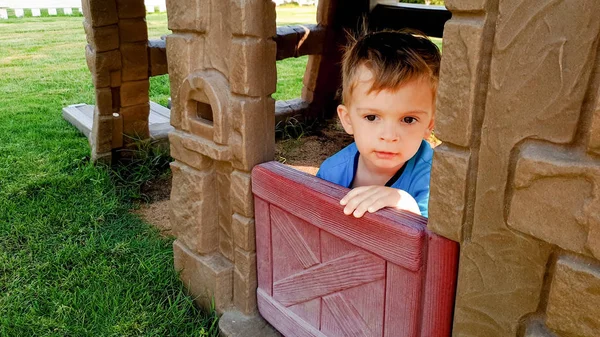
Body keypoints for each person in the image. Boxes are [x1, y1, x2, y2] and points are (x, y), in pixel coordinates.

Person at [316, 29, 441, 218]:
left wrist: (407, 205)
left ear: (429, 125)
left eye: (408, 120)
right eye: (372, 117)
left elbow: (439, 241)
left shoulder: (435, 179)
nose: (389, 136)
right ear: (348, 119)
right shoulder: (331, 172)